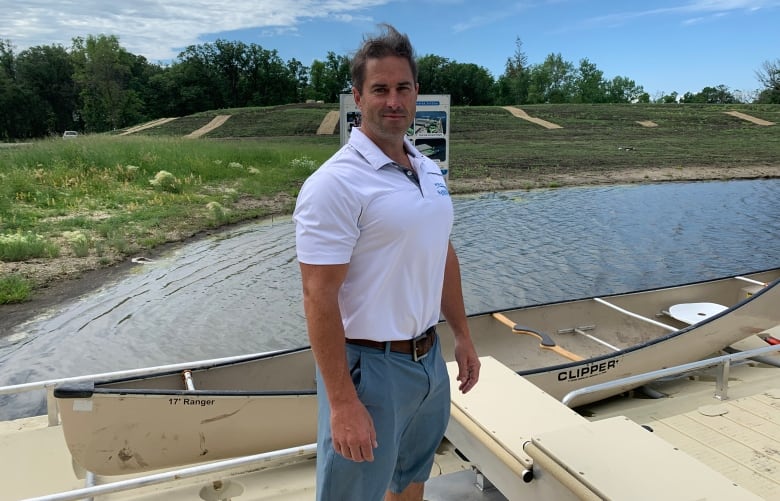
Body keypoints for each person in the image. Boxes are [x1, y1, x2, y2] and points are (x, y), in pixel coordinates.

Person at [293, 23, 480, 501]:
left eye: (402, 88)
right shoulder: (335, 184)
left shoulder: (428, 169)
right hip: (368, 368)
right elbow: (318, 296)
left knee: (411, 478)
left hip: (427, 361)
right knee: (353, 494)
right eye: (380, 89)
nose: (392, 100)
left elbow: (442, 252)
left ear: (417, 93)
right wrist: (341, 402)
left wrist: (461, 336)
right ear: (358, 97)